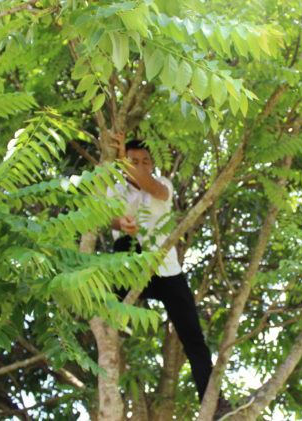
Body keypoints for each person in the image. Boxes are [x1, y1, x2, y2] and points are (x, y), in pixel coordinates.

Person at [107, 133, 233, 419]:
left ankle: (213, 403)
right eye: (133, 161)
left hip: (165, 269)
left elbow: (151, 187)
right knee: (108, 307)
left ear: (152, 163)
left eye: (144, 161)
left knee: (193, 339)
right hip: (128, 264)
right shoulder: (114, 188)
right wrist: (120, 221)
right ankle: (117, 329)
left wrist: (123, 161)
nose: (139, 165)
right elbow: (105, 217)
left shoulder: (163, 184)